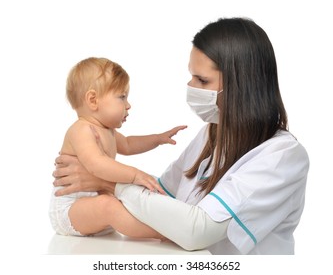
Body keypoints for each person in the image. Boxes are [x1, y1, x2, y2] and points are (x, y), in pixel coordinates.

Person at [52, 18, 310, 254]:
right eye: (191, 76)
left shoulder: (282, 157)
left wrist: (108, 183)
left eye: (202, 80)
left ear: (241, 83)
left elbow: (197, 231)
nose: (190, 87)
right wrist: (123, 183)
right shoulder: (214, 132)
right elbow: (164, 197)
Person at [49, 57, 186, 237]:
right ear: (93, 100)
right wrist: (135, 175)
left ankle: (168, 227)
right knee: (110, 206)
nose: (128, 105)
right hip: (71, 209)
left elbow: (128, 145)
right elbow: (96, 164)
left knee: (127, 199)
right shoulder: (81, 130)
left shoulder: (108, 131)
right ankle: (164, 234)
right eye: (122, 97)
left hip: (96, 204)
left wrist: (157, 139)